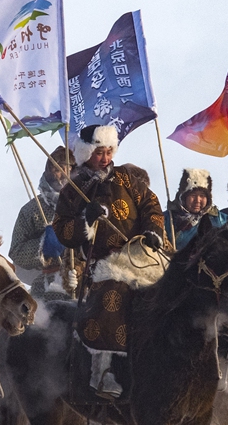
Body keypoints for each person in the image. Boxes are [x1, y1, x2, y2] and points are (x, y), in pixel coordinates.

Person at [52, 125, 166, 398]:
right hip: (100, 264)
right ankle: (105, 370)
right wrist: (86, 220)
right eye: (98, 152)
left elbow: (151, 203)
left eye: (108, 152)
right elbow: (62, 229)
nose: (104, 158)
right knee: (115, 294)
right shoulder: (74, 191)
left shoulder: (127, 178)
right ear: (86, 154)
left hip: (139, 257)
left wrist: (152, 231)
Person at [164, 168, 228, 273]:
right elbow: (154, 230)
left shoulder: (218, 219)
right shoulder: (169, 218)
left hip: (210, 277)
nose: (197, 200)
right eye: (193, 195)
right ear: (184, 197)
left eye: (202, 196)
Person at [9, 146, 75, 300]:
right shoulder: (32, 209)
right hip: (47, 285)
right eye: (58, 169)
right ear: (49, 171)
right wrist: (43, 246)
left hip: (85, 279)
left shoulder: (85, 204)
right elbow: (16, 252)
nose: (64, 174)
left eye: (68, 168)